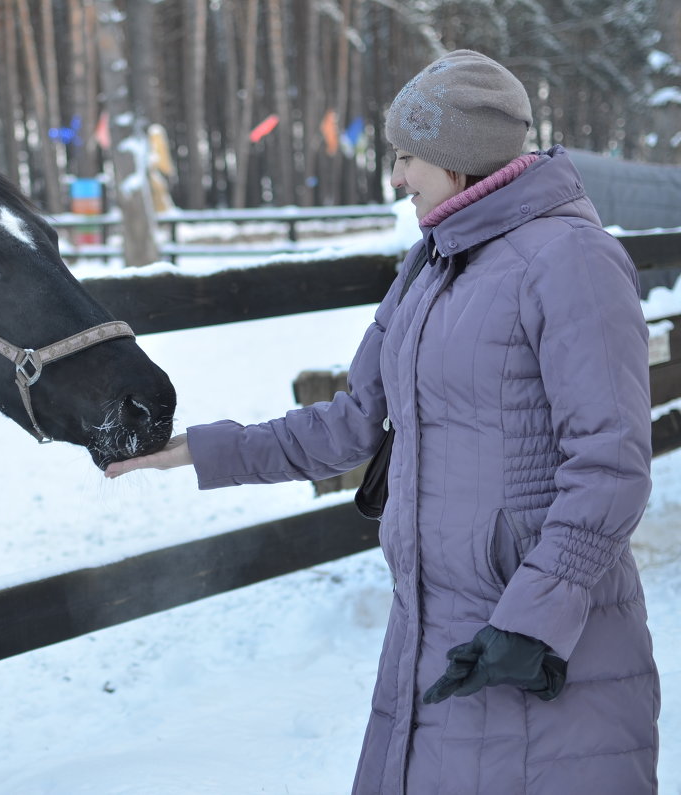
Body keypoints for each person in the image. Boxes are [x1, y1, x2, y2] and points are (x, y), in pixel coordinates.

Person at [105, 50, 659, 793]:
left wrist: (531, 622)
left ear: (456, 160)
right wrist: (203, 452)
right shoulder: (429, 265)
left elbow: (611, 464)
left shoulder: (572, 261)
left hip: (542, 651)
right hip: (430, 636)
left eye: (406, 158)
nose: (397, 178)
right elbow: (355, 421)